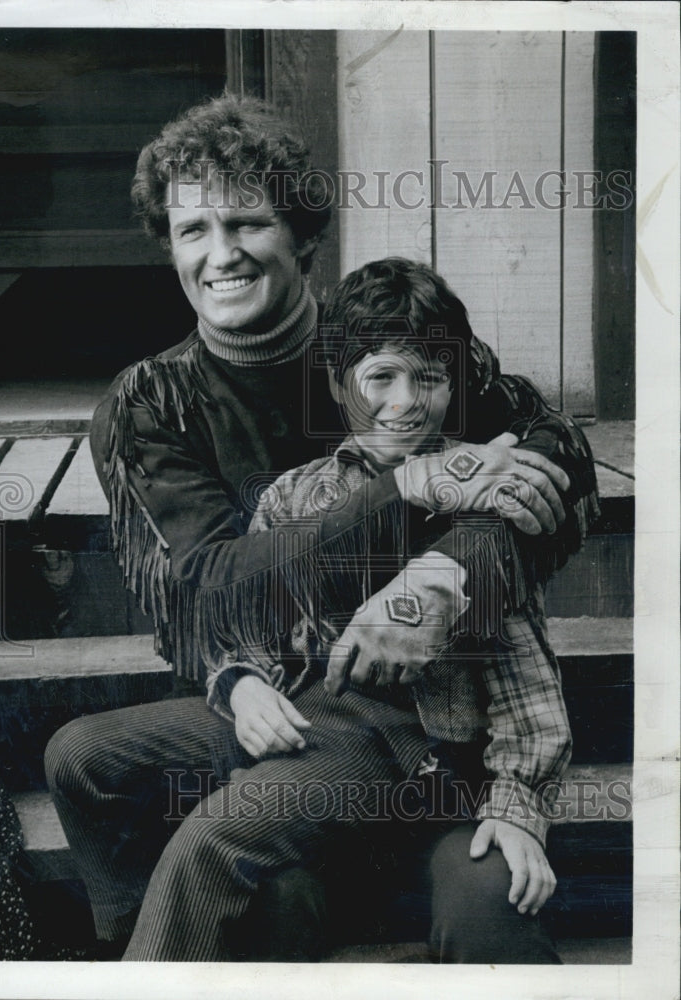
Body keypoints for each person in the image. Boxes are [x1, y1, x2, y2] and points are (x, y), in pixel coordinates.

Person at [44, 94, 598, 960]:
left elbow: (552, 460)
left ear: (301, 236)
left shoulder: (386, 342)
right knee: (82, 757)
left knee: (452, 892)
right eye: (193, 231)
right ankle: (140, 950)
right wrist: (408, 488)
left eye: (247, 222)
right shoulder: (149, 402)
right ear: (169, 247)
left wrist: (448, 575)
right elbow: (200, 598)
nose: (221, 254)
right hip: (290, 694)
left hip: (424, 723)